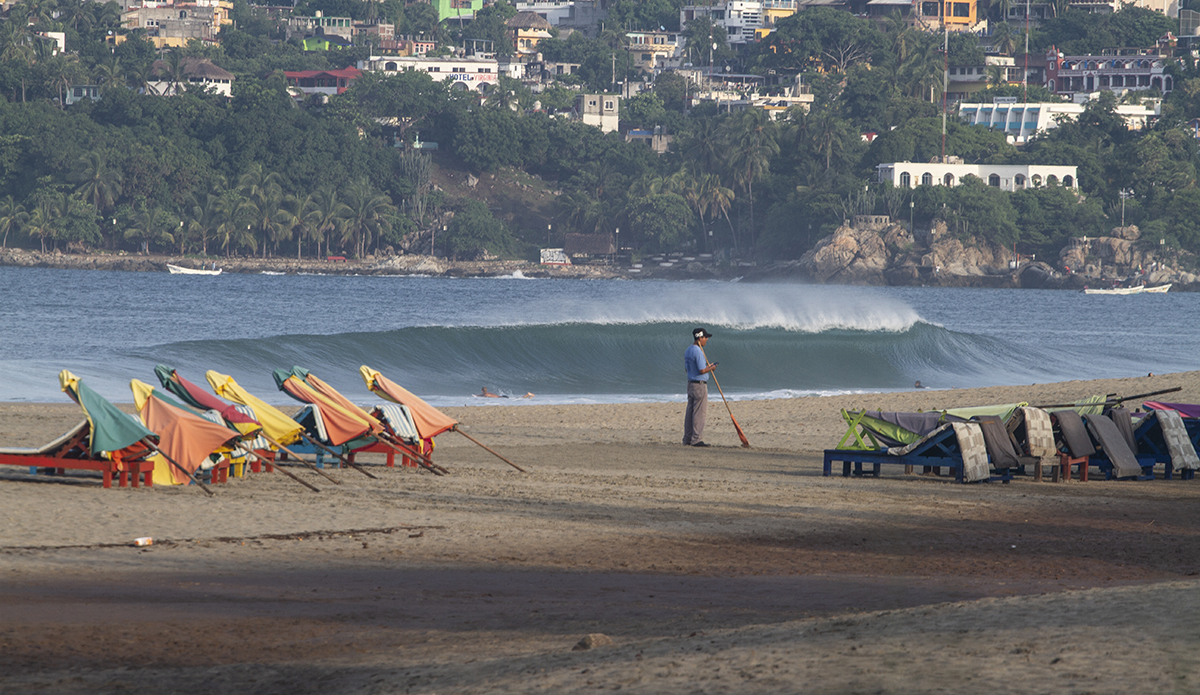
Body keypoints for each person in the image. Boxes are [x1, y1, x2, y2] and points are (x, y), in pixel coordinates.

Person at [683, 327, 717, 447]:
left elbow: (687, 369)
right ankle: (696, 439)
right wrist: (711, 368)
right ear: (700, 338)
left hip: (690, 384)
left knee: (690, 412)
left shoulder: (688, 350)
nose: (706, 339)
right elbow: (702, 370)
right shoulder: (698, 351)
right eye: (705, 337)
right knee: (699, 413)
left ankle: (687, 438)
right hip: (699, 385)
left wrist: (708, 367)